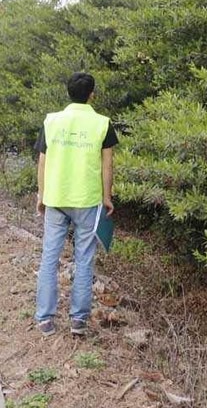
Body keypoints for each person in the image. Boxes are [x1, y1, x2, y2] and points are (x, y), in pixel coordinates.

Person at [34, 72, 118, 337]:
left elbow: (42, 162)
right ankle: (78, 321)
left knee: (50, 257)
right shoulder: (103, 123)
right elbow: (107, 164)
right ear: (92, 94)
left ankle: (45, 320)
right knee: (84, 260)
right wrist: (107, 196)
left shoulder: (52, 121)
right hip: (87, 200)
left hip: (56, 198)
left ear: (68, 93)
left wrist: (41, 194)